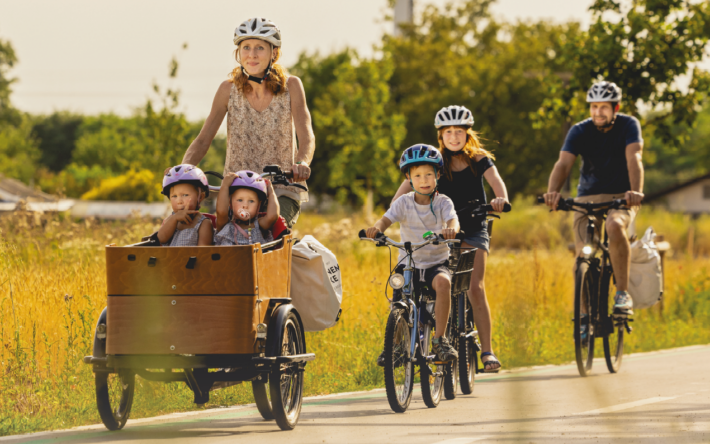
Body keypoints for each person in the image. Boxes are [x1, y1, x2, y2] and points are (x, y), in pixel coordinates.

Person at [391, 105, 509, 373]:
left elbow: (496, 181)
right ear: (440, 135)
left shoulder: (479, 159)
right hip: (439, 232)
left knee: (474, 286)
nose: (454, 137)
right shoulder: (435, 162)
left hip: (472, 229)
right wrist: (396, 209)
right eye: (448, 132)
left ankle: (488, 351)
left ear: (468, 134)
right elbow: (401, 195)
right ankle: (418, 338)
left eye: (459, 132)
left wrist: (500, 199)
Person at [176, 17, 315, 228]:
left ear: (274, 53)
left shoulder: (291, 86)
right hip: (237, 190)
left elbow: (306, 135)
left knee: (274, 231)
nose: (252, 54)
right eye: (246, 47)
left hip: (280, 188)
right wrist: (183, 172)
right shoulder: (228, 90)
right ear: (238, 53)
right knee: (224, 240)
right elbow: (203, 139)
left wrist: (302, 163)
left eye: (260, 47)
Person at [543, 81, 644, 317]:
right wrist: (552, 192)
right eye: (594, 107)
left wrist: (635, 191)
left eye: (604, 107)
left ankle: (622, 295)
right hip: (586, 198)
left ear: (615, 107)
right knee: (582, 256)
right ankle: (585, 315)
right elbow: (564, 163)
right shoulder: (579, 130)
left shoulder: (629, 125)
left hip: (622, 197)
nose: (598, 112)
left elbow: (634, 158)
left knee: (615, 225)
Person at [365, 144, 460, 363]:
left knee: (444, 284)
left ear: (438, 175)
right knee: (399, 299)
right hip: (408, 264)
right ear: (409, 178)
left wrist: (451, 229)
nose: (424, 180)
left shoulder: (443, 202)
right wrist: (377, 229)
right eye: (417, 175)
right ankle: (396, 346)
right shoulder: (403, 202)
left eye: (429, 174)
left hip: (435, 263)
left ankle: (440, 340)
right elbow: (386, 219)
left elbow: (453, 219)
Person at [214, 170, 279, 246]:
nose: (245, 205)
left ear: (258, 206)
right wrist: (225, 186)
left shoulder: (259, 225)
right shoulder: (224, 225)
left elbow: (272, 216)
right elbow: (221, 212)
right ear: (230, 203)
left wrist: (271, 193)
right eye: (240, 200)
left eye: (251, 201)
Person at [157, 164, 214, 247]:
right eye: (174, 196)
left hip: (192, 260)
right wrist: (175, 218)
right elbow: (161, 239)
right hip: (168, 259)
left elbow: (203, 253)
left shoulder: (203, 224)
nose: (179, 201)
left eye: (185, 195)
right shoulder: (170, 219)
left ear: (200, 197)